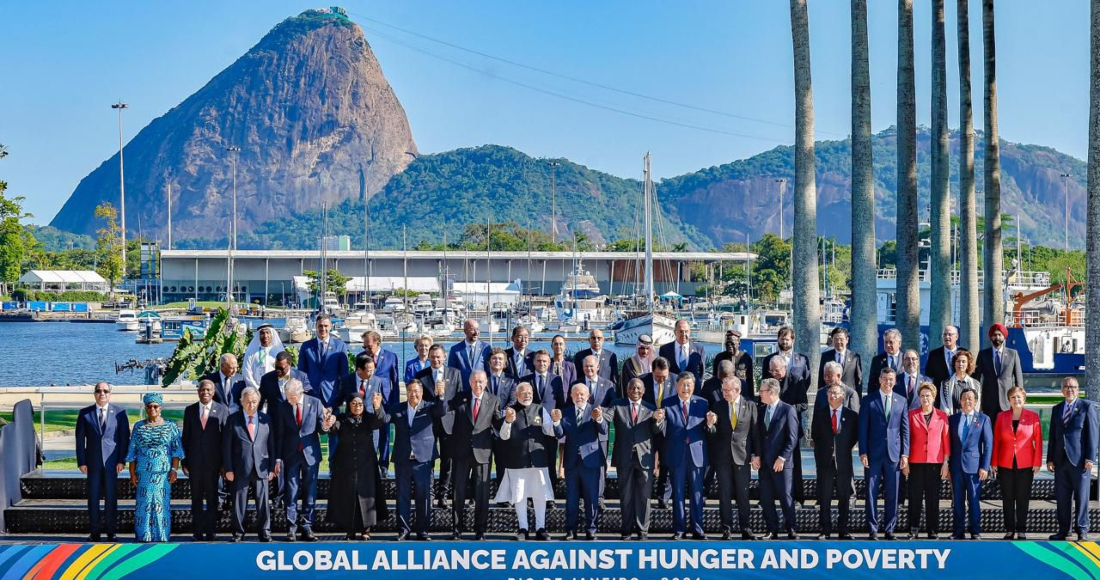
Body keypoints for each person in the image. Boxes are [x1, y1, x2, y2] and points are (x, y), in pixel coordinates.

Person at [377, 380, 445, 541]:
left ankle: (423, 531)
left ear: (421, 392)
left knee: (424, 497)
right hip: (403, 459)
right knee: (402, 496)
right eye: (410, 391)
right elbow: (384, 419)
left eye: (416, 391)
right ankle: (403, 530)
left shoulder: (429, 406)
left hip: (423, 459)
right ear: (406, 392)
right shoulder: (398, 408)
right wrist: (377, 406)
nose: (413, 394)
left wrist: (441, 395)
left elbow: (442, 411)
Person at [494, 382, 563, 540]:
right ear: (517, 395)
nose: (527, 395)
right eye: (523, 393)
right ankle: (523, 528)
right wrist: (508, 421)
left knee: (540, 495)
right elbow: (504, 436)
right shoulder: (510, 411)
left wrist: (556, 421)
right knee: (519, 495)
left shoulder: (540, 409)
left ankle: (540, 528)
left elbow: (550, 432)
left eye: (529, 392)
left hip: (539, 461)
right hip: (517, 461)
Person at [654, 374, 714, 540]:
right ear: (676, 385)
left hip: (696, 455)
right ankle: (679, 529)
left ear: (694, 386)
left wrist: (710, 423)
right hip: (676, 454)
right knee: (678, 493)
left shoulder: (702, 403)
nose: (686, 388)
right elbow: (661, 429)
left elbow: (709, 431)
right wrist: (658, 421)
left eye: (689, 385)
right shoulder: (667, 403)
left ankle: (698, 528)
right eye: (682, 385)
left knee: (697, 494)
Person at [322, 393, 389, 540]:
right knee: (348, 496)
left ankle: (366, 529)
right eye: (354, 403)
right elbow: (333, 428)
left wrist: (378, 407)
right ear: (348, 405)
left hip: (366, 465)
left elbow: (380, 422)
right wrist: (328, 422)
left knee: (366, 497)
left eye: (360, 404)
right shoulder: (342, 419)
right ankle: (350, 529)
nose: (357, 406)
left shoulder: (369, 418)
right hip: (345, 465)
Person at [443, 370, 501, 540]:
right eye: (475, 381)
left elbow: (497, 424)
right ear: (469, 382)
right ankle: (457, 529)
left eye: (481, 381)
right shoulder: (459, 398)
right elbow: (446, 415)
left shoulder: (494, 400)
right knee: (458, 492)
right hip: (461, 452)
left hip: (482, 452)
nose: (478, 385)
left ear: (486, 382)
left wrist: (508, 421)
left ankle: (480, 530)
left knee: (482, 494)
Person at [858, 367, 910, 540]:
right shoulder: (868, 400)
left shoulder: (901, 401)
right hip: (873, 454)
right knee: (871, 492)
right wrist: (863, 451)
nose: (888, 382)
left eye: (891, 379)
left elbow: (905, 430)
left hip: (894, 454)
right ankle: (872, 528)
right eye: (885, 378)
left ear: (895, 381)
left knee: (893, 493)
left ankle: (889, 528)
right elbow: (863, 428)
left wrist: (905, 454)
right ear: (880, 379)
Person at [125, 392, 183, 542]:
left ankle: (161, 535)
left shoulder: (170, 426)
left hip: (163, 474)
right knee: (144, 505)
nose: (152, 409)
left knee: (161, 504)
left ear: (160, 408)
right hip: (144, 473)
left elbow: (176, 450)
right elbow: (133, 451)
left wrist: (174, 470)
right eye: (149, 406)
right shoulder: (139, 426)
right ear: (145, 408)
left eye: (155, 406)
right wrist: (132, 473)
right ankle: (144, 535)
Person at [75, 381, 130, 542]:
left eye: (105, 391)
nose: (102, 393)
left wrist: (122, 460)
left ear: (110, 393)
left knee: (111, 497)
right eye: (98, 391)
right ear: (94, 394)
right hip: (92, 463)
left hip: (112, 464)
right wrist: (81, 462)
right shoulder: (85, 413)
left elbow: (124, 438)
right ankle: (95, 532)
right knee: (93, 498)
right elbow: (80, 440)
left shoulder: (120, 413)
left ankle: (111, 532)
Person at [223, 387, 280, 542]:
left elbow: (271, 445)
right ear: (242, 402)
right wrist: (228, 468)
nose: (251, 405)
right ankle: (238, 532)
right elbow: (226, 446)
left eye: (254, 402)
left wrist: (271, 468)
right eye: (248, 402)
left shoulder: (265, 419)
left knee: (263, 502)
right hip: (240, 468)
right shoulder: (233, 419)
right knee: (239, 502)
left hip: (261, 468)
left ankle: (265, 531)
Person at [606, 378, 660, 540]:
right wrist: (598, 414)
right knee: (626, 495)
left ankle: (643, 531)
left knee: (644, 496)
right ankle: (627, 530)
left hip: (645, 458)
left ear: (643, 391)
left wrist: (658, 420)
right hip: (624, 457)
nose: (635, 391)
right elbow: (606, 417)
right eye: (631, 388)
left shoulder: (651, 408)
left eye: (638, 388)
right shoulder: (617, 404)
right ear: (626, 389)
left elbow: (657, 432)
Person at [707, 376, 760, 540]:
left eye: (727, 390)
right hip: (722, 457)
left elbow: (755, 432)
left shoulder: (750, 405)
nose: (724, 393)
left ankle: (746, 528)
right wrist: (710, 424)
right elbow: (713, 435)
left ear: (737, 390)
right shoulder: (718, 405)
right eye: (723, 390)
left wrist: (756, 454)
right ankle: (726, 529)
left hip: (742, 457)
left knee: (743, 494)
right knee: (724, 494)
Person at [1047, 376, 1099, 541]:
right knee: (1062, 498)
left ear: (1078, 390)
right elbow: (1053, 435)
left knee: (1082, 497)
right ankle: (1064, 530)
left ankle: (1082, 530)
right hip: (1060, 461)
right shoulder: (1057, 409)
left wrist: (1090, 457)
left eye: (1073, 387)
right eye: (1067, 387)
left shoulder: (1086, 407)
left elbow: (1093, 434)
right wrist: (1049, 458)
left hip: (1079, 461)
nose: (1070, 390)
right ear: (1062, 390)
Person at [274, 379, 326, 542]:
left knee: (310, 492)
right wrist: (278, 457)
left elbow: (321, 428)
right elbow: (279, 433)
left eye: (292, 397)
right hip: (291, 454)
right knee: (291, 491)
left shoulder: (315, 403)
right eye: (288, 397)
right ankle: (291, 528)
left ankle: (307, 526)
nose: (289, 400)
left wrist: (325, 425)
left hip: (310, 453)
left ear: (300, 393)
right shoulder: (283, 406)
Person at [991, 386, 1043, 540]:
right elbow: (996, 441)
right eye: (1013, 397)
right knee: (1007, 497)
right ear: (1009, 400)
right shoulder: (1001, 416)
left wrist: (1037, 462)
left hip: (1026, 464)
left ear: (1024, 399)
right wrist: (994, 462)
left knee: (1022, 497)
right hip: (1005, 462)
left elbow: (1038, 441)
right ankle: (1009, 529)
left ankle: (1021, 529)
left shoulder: (1033, 416)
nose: (1016, 400)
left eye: (1019, 397)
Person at [557, 383, 607, 540]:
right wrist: (556, 422)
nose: (579, 397)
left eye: (582, 394)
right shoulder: (565, 413)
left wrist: (599, 419)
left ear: (588, 396)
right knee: (571, 498)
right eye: (576, 394)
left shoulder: (595, 411)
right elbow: (559, 434)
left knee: (591, 497)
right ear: (571, 396)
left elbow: (604, 430)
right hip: (572, 462)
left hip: (590, 461)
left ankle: (591, 529)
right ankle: (571, 530)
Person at [182, 379, 229, 541]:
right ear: (198, 391)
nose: (205, 392)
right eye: (202, 390)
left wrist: (224, 464)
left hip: (214, 464)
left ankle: (210, 530)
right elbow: (185, 438)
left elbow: (226, 439)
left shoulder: (222, 410)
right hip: (194, 463)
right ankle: (197, 531)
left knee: (212, 498)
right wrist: (184, 461)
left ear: (213, 392)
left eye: (208, 390)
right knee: (195, 498)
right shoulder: (190, 410)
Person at [811, 383, 858, 540]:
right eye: (830, 393)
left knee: (844, 497)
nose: (832, 396)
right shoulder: (819, 414)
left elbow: (853, 437)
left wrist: (841, 450)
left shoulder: (851, 415)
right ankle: (825, 530)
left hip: (843, 462)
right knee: (824, 498)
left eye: (836, 393)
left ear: (843, 396)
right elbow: (815, 436)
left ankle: (843, 529)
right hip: (825, 462)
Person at [418, 343, 463, 508]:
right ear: (428, 357)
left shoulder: (455, 373)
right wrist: (437, 401)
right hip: (428, 423)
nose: (435, 359)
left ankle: (442, 495)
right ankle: (428, 495)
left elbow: (459, 398)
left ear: (444, 357)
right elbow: (420, 400)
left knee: (447, 461)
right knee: (428, 460)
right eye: (432, 356)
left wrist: (444, 404)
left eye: (438, 356)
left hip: (449, 423)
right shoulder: (421, 375)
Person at [338, 352, 398, 476]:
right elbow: (339, 398)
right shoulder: (347, 380)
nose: (372, 373)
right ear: (359, 370)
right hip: (352, 426)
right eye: (369, 370)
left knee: (371, 456)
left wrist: (386, 413)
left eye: (373, 369)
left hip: (371, 425)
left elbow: (381, 402)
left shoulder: (377, 380)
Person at [903, 383, 949, 540]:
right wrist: (906, 461)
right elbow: (906, 439)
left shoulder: (942, 416)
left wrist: (945, 463)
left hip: (935, 463)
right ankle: (913, 529)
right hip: (915, 462)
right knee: (914, 497)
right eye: (922, 395)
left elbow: (946, 441)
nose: (925, 398)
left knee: (933, 498)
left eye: (928, 395)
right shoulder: (911, 414)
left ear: (934, 396)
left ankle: (932, 530)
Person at [755, 378, 799, 540]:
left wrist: (782, 458)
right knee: (766, 498)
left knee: (785, 496)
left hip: (782, 463)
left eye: (762, 391)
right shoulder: (760, 411)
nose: (760, 394)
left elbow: (792, 438)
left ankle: (791, 528)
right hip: (765, 463)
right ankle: (771, 529)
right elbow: (758, 436)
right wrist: (756, 455)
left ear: (772, 392)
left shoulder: (788, 410)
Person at [948, 388, 993, 540]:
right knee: (958, 501)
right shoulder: (952, 419)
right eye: (964, 398)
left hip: (975, 467)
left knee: (974, 499)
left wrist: (985, 467)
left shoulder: (983, 419)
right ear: (960, 401)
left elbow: (988, 445)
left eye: (970, 398)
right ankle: (958, 531)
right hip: (956, 466)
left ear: (975, 401)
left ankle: (975, 531)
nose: (967, 401)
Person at [767, 354, 808, 505]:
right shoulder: (769, 381)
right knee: (770, 463)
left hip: (791, 428)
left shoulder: (796, 379)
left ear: (784, 368)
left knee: (794, 464)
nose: (774, 374)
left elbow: (803, 404)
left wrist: (786, 409)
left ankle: (797, 497)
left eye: (776, 371)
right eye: (771, 371)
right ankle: (770, 496)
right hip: (772, 430)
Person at [974, 323, 1024, 425]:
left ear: (1004, 337)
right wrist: (976, 399)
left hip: (1007, 401)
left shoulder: (1013, 354)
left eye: (1000, 335)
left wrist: (1019, 398)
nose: (997, 337)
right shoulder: (983, 354)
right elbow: (977, 378)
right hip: (989, 401)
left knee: (1007, 431)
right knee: (990, 432)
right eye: (995, 335)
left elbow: (1019, 378)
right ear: (991, 337)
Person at [296, 314, 350, 409]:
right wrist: (307, 391)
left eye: (326, 326)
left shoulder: (340, 346)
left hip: (332, 395)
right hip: (311, 395)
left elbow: (344, 374)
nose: (323, 329)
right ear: (316, 327)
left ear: (330, 327)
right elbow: (301, 373)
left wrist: (341, 396)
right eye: (320, 326)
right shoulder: (306, 346)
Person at [448, 319, 491, 389]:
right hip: (462, 390)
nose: (476, 333)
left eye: (478, 329)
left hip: (480, 389)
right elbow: (452, 372)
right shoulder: (455, 350)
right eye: (472, 329)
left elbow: (489, 370)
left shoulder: (486, 347)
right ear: (465, 331)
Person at [818, 327, 863, 393]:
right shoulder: (825, 356)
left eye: (841, 339)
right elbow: (821, 378)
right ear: (832, 340)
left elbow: (859, 380)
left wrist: (858, 399)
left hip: (848, 396)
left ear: (847, 340)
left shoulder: (855, 357)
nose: (838, 342)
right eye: (836, 339)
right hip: (831, 395)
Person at [711, 330, 754, 397]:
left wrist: (751, 397)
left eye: (732, 344)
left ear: (739, 344)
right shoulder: (719, 357)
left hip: (742, 394)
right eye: (727, 344)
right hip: (724, 394)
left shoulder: (746, 357)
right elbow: (714, 378)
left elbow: (750, 380)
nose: (730, 346)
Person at [242, 324, 284, 391]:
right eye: (262, 333)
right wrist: (258, 389)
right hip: (256, 392)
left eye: (267, 333)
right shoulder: (251, 353)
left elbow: (284, 373)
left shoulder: (278, 352)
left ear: (272, 334)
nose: (265, 336)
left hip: (275, 391)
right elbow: (247, 373)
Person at [938, 348, 979, 415]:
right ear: (954, 363)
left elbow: (977, 405)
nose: (960, 364)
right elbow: (944, 407)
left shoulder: (976, 384)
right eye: (958, 361)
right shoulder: (945, 384)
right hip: (952, 420)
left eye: (963, 361)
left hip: (970, 420)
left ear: (968, 364)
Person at [867, 328, 904, 394]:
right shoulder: (877, 360)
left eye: (891, 342)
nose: (888, 345)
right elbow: (872, 383)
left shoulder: (906, 359)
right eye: (886, 342)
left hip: (901, 399)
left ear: (899, 343)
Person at [923, 325, 959, 389]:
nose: (947, 337)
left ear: (956, 336)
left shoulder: (963, 353)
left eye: (950, 334)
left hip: (960, 394)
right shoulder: (934, 354)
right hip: (940, 394)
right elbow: (928, 375)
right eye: (944, 334)